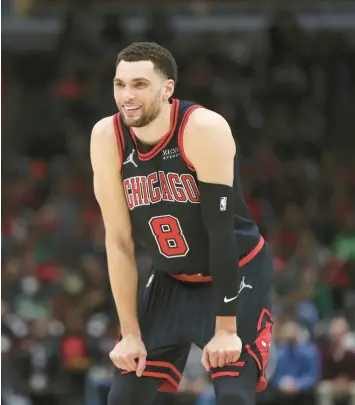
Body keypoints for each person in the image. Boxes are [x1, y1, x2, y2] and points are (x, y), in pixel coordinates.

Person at [90, 42, 274, 405]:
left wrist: (225, 329)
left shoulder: (203, 127)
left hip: (236, 271)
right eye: (119, 84)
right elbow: (118, 241)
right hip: (171, 279)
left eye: (140, 84)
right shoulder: (106, 136)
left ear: (167, 88)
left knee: (233, 394)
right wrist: (129, 333)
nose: (127, 95)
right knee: (123, 396)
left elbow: (221, 233)